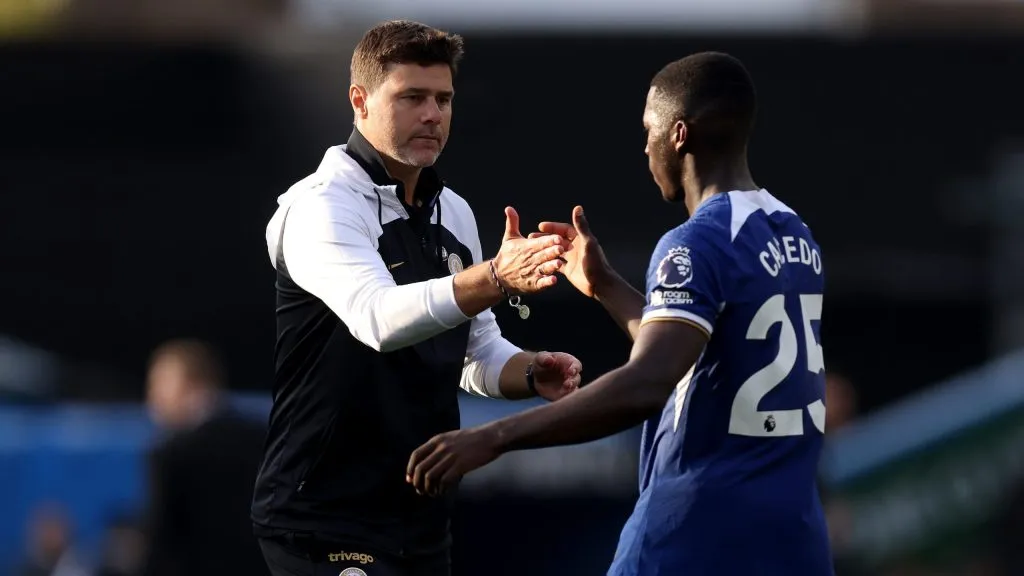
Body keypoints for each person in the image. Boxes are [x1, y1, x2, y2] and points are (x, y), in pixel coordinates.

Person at [407, 52, 834, 575]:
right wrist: (606, 285)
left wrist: (493, 437)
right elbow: (698, 358)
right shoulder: (794, 234)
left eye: (648, 130)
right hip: (793, 543)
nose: (645, 146)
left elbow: (648, 382)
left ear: (678, 135)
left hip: (696, 537)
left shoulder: (694, 243)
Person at [252, 19, 583, 576]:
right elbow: (378, 319)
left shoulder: (452, 211)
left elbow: (473, 355)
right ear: (360, 101)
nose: (433, 114)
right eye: (412, 97)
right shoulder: (320, 205)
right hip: (322, 518)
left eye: (443, 99)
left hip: (419, 519)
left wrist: (528, 371)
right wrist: (495, 277)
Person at [143, 339, 269, 576]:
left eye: (159, 383)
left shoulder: (172, 453)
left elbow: (162, 542)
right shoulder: (263, 437)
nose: (152, 397)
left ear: (191, 382)